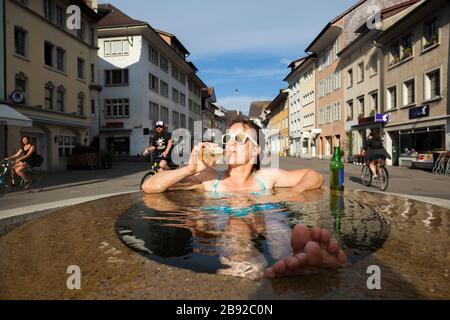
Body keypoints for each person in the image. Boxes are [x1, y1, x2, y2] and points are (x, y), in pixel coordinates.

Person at [142, 117, 348, 277]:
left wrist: (293, 194)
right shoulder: (211, 179)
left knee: (277, 227)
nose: (230, 144)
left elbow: (313, 177)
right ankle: (250, 269)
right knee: (238, 229)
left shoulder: (266, 178)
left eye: (239, 139)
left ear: (255, 150)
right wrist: (190, 169)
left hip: (265, 221)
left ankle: (298, 258)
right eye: (226, 139)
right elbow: (150, 186)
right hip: (228, 226)